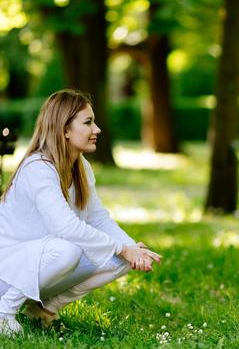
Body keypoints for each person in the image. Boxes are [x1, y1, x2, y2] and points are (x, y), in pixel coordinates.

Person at [0, 89, 161, 336]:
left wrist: (131, 248)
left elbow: (98, 218)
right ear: (64, 129)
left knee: (120, 258)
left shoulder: (80, 167)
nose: (96, 130)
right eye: (88, 122)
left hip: (35, 265)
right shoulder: (38, 168)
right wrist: (122, 247)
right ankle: (4, 311)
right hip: (7, 270)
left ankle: (43, 308)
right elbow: (65, 228)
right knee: (68, 250)